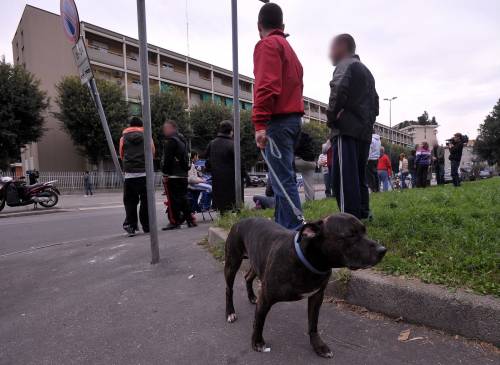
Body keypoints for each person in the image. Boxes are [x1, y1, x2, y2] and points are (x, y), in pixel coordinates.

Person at [252, 2, 304, 229]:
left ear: (258, 26)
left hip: (278, 121)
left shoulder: (267, 45)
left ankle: (294, 234)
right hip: (292, 120)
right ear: (282, 25)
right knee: (285, 179)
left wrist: (260, 124)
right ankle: (284, 230)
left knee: (282, 182)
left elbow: (266, 86)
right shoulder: (289, 50)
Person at [327, 34, 379, 219]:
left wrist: (332, 118)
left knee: (343, 177)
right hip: (364, 132)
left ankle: (347, 219)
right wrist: (367, 121)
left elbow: (339, 89)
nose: (329, 53)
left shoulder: (345, 65)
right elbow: (376, 103)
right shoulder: (367, 72)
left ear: (342, 47)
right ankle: (363, 214)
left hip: (346, 129)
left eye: (332, 48)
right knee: (358, 176)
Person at [119, 116, 154, 236]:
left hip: (130, 175)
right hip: (145, 174)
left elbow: (121, 154)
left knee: (130, 202)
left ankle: (131, 226)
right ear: (141, 126)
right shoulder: (147, 136)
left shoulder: (123, 138)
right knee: (146, 201)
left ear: (130, 126)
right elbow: (152, 152)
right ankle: (147, 226)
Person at [162, 120, 196, 230]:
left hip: (173, 175)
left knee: (173, 201)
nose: (164, 130)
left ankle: (174, 221)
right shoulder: (183, 140)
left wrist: (165, 172)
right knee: (183, 198)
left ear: (172, 128)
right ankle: (190, 219)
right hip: (183, 175)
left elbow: (167, 159)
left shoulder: (171, 141)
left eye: (165, 128)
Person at [205, 121, 242, 214]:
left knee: (222, 208)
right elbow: (240, 162)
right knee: (234, 205)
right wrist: (245, 175)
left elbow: (206, 157)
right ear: (231, 131)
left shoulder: (212, 143)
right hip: (232, 179)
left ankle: (223, 220)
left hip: (217, 179)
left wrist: (210, 168)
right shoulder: (233, 144)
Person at [294, 130, 316, 201]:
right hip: (312, 163)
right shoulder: (308, 138)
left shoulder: (297, 137)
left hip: (301, 161)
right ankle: (310, 202)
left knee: (285, 164)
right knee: (309, 184)